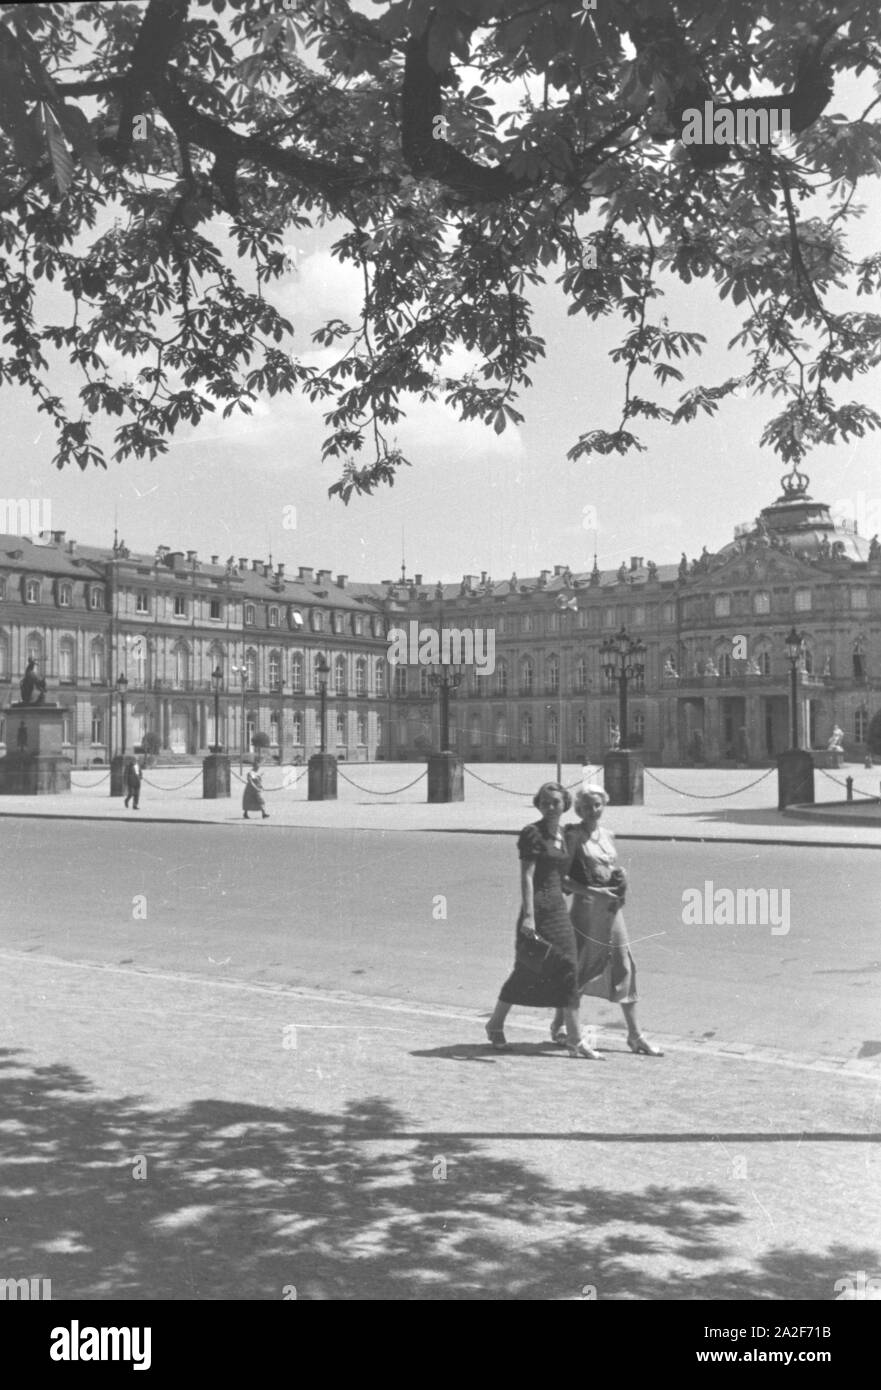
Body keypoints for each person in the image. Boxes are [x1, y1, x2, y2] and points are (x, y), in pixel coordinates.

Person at [484, 782, 601, 1059]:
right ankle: (495, 1023)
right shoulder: (532, 834)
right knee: (527, 969)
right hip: (536, 910)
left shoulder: (567, 835)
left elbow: (566, 879)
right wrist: (528, 917)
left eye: (555, 803)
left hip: (559, 910)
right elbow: (526, 876)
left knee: (569, 968)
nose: (550, 807)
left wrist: (596, 893)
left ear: (565, 806)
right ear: (538, 804)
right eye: (545, 802)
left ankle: (575, 1039)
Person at [550, 785, 663, 1057]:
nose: (593, 810)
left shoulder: (608, 835)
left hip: (612, 910)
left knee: (623, 966)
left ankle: (635, 1036)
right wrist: (591, 890)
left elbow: (608, 869)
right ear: (578, 809)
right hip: (586, 912)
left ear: (604, 805)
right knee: (581, 970)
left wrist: (620, 877)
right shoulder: (573, 836)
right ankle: (572, 1037)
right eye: (587, 806)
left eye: (597, 805)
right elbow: (561, 880)